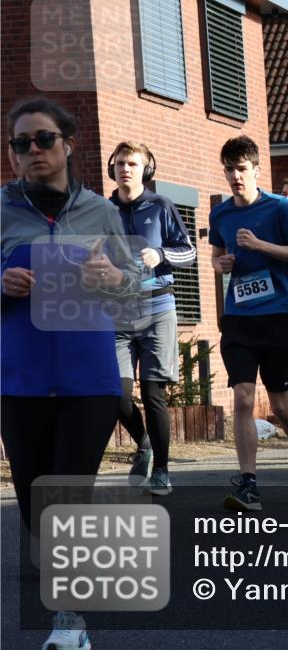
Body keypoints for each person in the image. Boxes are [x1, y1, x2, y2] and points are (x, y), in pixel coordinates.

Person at [3, 97, 141, 650]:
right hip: (20, 379)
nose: (32, 151)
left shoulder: (102, 213)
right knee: (36, 496)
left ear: (68, 145)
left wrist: (114, 276)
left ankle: (69, 620)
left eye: (42, 140)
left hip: (89, 379)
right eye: (20, 144)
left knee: (68, 493)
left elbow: (136, 291)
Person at [209, 135, 288, 511]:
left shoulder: (279, 209)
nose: (235, 176)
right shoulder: (220, 214)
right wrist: (220, 265)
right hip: (239, 319)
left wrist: (260, 246)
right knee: (242, 397)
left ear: (256, 170)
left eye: (241, 169)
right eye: (229, 170)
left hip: (276, 318)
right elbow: (216, 256)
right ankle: (249, 483)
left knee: (282, 405)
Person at [109, 141, 196, 496]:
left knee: (154, 392)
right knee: (115, 393)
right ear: (112, 168)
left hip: (158, 306)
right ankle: (143, 442)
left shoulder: (161, 205)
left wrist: (159, 253)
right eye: (120, 163)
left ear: (146, 169)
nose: (126, 169)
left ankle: (161, 469)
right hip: (118, 311)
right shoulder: (102, 209)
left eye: (133, 163)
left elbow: (188, 251)